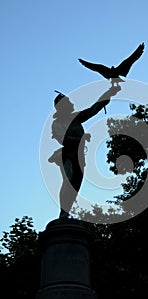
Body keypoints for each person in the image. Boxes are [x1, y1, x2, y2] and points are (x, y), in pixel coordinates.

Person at [48, 85, 121, 218]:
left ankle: (66, 211)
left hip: (80, 156)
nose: (72, 103)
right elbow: (63, 139)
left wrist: (109, 93)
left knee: (75, 186)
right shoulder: (57, 123)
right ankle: (63, 212)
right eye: (68, 102)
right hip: (67, 155)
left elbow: (93, 109)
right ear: (62, 106)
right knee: (68, 179)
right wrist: (80, 138)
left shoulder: (75, 118)